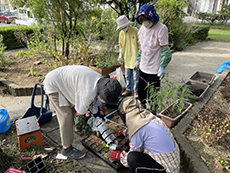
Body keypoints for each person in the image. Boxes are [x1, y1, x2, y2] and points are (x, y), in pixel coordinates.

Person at [43, 65, 122, 159]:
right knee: (66, 115)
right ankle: (66, 148)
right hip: (54, 84)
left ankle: (73, 129)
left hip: (65, 82)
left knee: (74, 111)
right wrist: (90, 134)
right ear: (101, 94)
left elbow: (86, 108)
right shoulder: (87, 94)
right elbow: (79, 119)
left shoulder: (102, 81)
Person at [109, 96, 180, 173]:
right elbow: (142, 131)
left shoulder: (138, 130)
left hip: (167, 170)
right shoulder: (150, 118)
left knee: (132, 159)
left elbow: (131, 156)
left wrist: (120, 156)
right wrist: (124, 133)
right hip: (173, 162)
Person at [135, 4, 172, 108]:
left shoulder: (161, 29)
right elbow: (141, 47)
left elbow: (165, 49)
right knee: (141, 90)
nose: (145, 23)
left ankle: (154, 112)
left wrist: (162, 66)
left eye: (146, 20)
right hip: (143, 66)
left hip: (154, 69)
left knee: (154, 94)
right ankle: (142, 108)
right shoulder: (142, 29)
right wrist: (138, 59)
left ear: (152, 17)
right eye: (142, 21)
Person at [116, 15, 139, 98]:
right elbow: (121, 46)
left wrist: (139, 58)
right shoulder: (121, 33)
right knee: (127, 76)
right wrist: (120, 56)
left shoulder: (135, 31)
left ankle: (136, 91)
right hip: (127, 58)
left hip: (135, 58)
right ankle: (128, 89)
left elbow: (140, 45)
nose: (123, 28)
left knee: (136, 77)